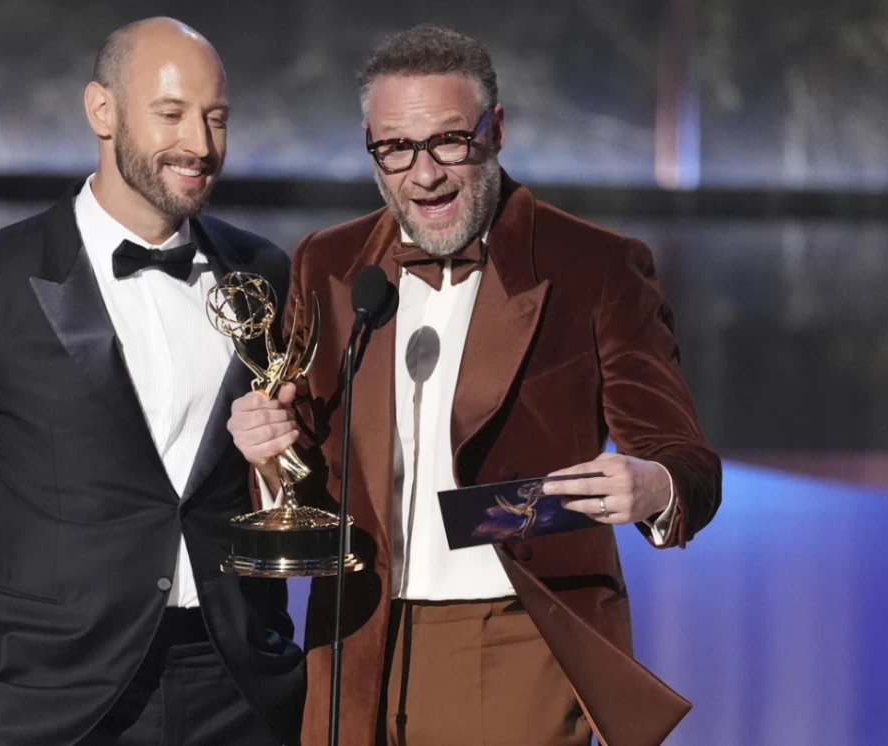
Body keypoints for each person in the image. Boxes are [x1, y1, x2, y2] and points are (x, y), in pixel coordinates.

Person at [228, 24, 721, 746]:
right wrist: (269, 453)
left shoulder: (595, 267)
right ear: (370, 144)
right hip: (353, 634)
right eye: (396, 147)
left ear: (495, 131)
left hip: (509, 638)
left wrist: (655, 488)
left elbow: (687, 462)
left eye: (448, 141)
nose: (423, 174)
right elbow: (305, 455)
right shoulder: (328, 263)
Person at [0, 17, 304, 746]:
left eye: (217, 118)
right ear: (102, 110)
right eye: (171, 114)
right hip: (53, 692)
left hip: (237, 685)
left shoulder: (262, 274)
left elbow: (290, 463)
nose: (201, 146)